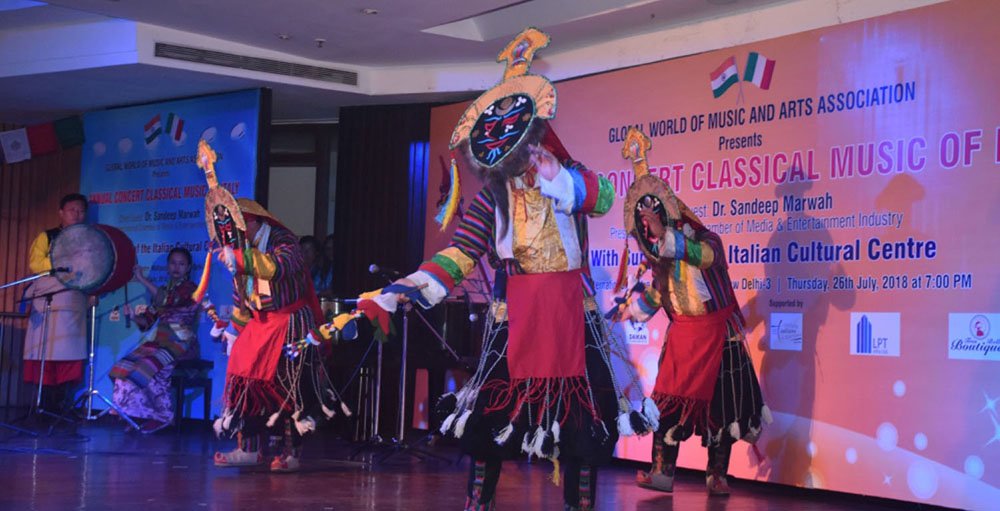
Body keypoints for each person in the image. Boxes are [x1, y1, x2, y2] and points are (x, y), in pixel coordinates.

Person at [319, 29, 653, 511]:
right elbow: (459, 253)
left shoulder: (566, 177)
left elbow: (601, 197)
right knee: (489, 419)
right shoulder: (490, 200)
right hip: (514, 317)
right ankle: (479, 503)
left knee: (583, 423)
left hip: (569, 316)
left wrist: (555, 176)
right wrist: (404, 288)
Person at [612, 128, 769, 496]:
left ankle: (717, 475)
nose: (650, 233)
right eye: (645, 227)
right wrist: (632, 311)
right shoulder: (662, 261)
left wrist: (664, 235)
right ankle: (662, 472)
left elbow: (701, 256)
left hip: (718, 337)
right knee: (667, 406)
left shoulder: (708, 241)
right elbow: (657, 294)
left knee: (721, 411)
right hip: (683, 339)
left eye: (655, 223)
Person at [212, 198, 346, 473]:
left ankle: (291, 453)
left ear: (251, 222)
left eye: (236, 227)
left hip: (290, 321)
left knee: (290, 387)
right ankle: (249, 449)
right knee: (244, 381)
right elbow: (241, 295)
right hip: (260, 323)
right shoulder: (240, 249)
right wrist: (234, 330)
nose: (233, 234)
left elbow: (277, 268)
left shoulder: (284, 241)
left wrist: (240, 258)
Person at [109, 247, 201, 434]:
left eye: (181, 264)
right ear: (168, 266)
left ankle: (163, 417)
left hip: (181, 343)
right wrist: (133, 316)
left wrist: (142, 279)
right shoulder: (164, 289)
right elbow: (147, 322)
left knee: (149, 366)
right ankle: (135, 413)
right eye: (173, 263)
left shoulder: (190, 288)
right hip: (161, 342)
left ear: (188, 267)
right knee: (123, 366)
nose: (176, 267)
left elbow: (167, 300)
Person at [23, 193, 90, 412]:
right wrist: (62, 261)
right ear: (61, 213)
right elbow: (36, 264)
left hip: (73, 301)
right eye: (72, 210)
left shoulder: (90, 238)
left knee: (69, 355)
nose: (77, 214)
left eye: (81, 211)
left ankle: (62, 408)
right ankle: (43, 407)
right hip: (47, 299)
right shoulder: (47, 236)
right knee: (45, 354)